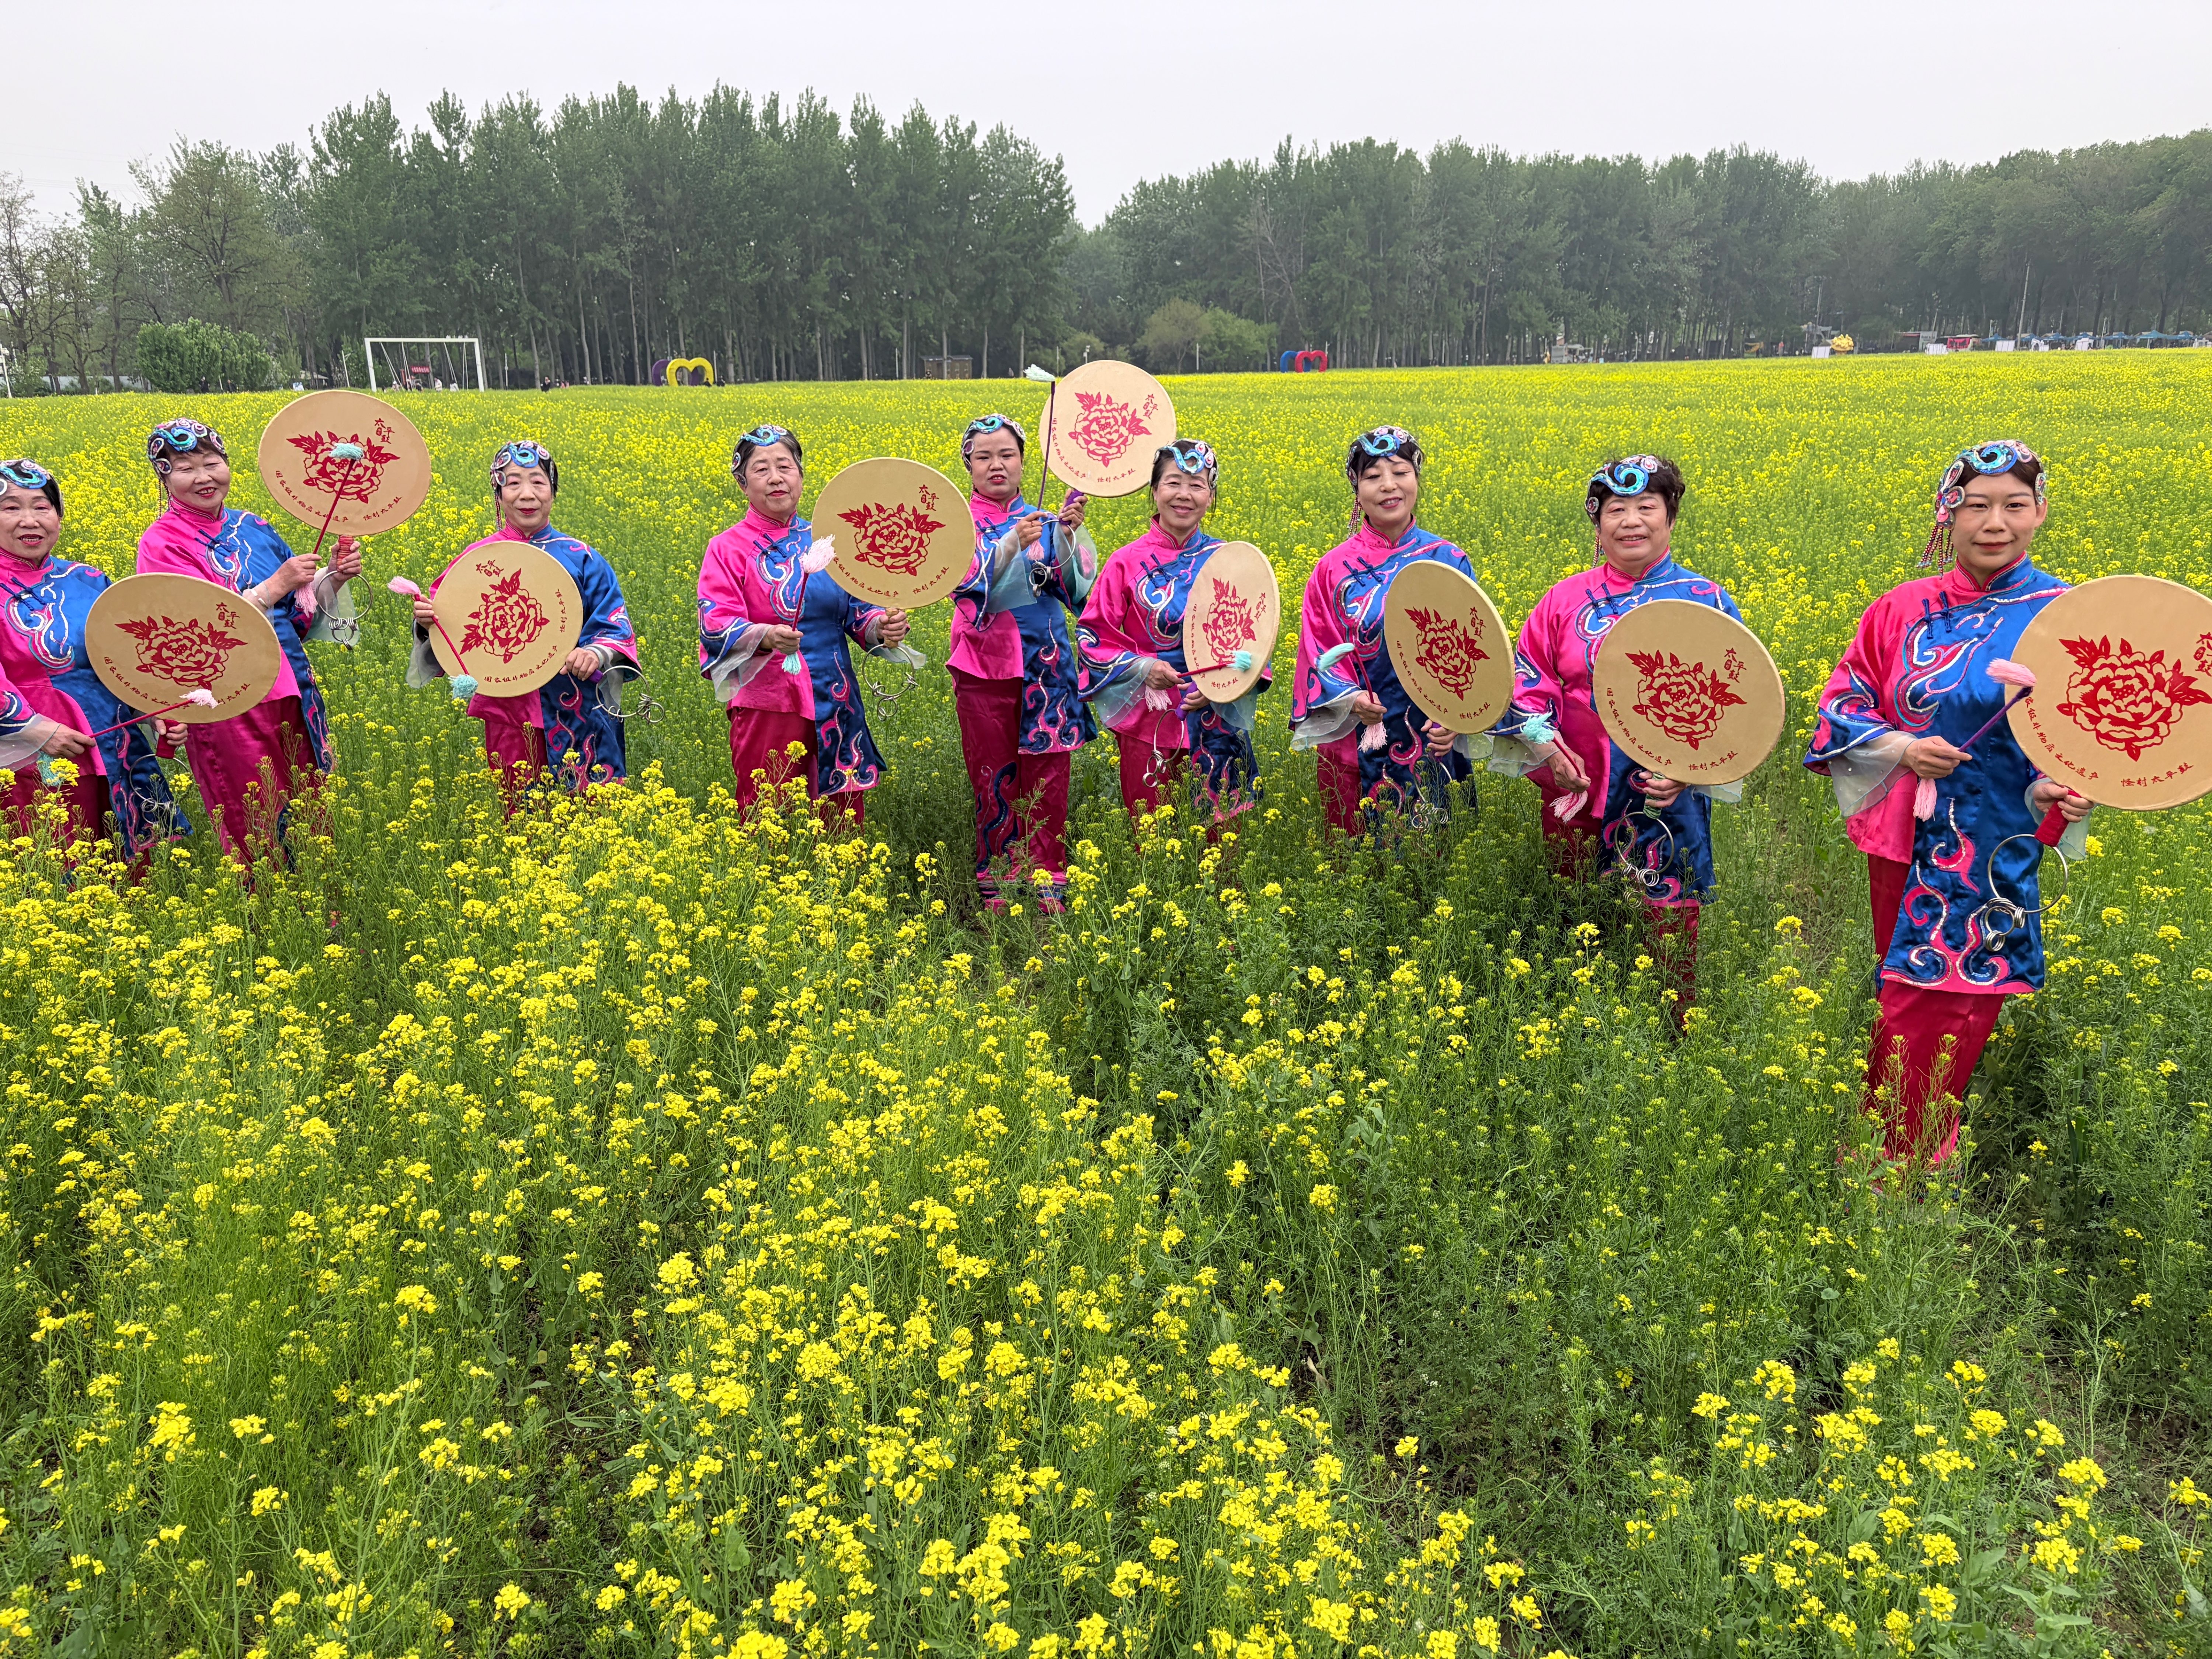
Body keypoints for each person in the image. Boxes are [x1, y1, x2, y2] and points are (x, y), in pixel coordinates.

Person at [1805, 440, 2091, 1165]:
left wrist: (2059, 795)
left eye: (2014, 506)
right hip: (1905, 833)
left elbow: (2083, 741)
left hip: (1995, 841)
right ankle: (1898, 1137)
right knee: (1901, 986)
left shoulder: (2065, 617)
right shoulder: (1900, 609)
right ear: (1949, 514)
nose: (1995, 523)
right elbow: (1843, 702)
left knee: (1947, 996)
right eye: (1976, 505)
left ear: (2040, 513)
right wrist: (1901, 748)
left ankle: (1905, 1154)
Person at [1496, 455, 1747, 1011]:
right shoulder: (1563, 600)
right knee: (1575, 914)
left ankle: (1670, 1027)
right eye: (1617, 510)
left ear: (1671, 517)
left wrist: (1687, 774)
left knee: (1666, 919)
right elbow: (1527, 678)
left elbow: (1740, 702)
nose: (1631, 521)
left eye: (1646, 507)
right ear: (1598, 524)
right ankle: (1578, 1019)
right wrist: (1544, 745)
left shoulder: (1706, 601)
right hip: (1575, 784)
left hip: (1665, 800)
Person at [134, 418, 359, 858]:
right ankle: (270, 913)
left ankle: (320, 912)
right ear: (164, 476)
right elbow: (186, 637)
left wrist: (333, 577)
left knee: (311, 805)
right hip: (226, 704)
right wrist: (273, 586)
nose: (203, 476)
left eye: (212, 462)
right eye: (184, 467)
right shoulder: (161, 544)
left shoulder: (253, 527)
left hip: (291, 688)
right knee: (254, 813)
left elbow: (297, 618)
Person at [698, 424, 912, 825]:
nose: (776, 478)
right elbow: (715, 622)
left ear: (801, 475)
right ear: (742, 483)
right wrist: (764, 635)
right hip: (768, 702)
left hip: (836, 695)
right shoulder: (726, 548)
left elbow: (856, 608)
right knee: (770, 814)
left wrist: (881, 627)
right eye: (761, 470)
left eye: (785, 466)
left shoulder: (829, 541)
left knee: (842, 815)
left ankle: (843, 887)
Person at [409, 440, 638, 808]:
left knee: (591, 820)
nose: (527, 495)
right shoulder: (476, 561)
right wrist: (427, 622)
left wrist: (595, 653)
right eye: (513, 484)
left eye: (538, 482)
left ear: (554, 491)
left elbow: (614, 625)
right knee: (525, 820)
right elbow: (447, 632)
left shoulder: (583, 558)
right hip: (511, 712)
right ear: (498, 494)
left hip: (580, 710)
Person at [1287, 425, 1480, 833]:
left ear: (1417, 478)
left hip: (1433, 737)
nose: (1389, 486)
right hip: (1358, 735)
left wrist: (1459, 719)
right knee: (1359, 864)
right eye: (1373, 476)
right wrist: (1350, 697)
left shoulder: (1448, 560)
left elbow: (1479, 656)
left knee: (1437, 868)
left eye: (1400, 472)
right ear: (1356, 489)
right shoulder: (1332, 569)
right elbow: (1317, 651)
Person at [0, 458, 184, 855]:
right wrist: (31, 728)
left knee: (135, 860)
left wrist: (156, 711)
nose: (29, 520)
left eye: (42, 507)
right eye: (11, 508)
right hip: (32, 745)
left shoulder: (89, 579)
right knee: (60, 858)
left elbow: (129, 658)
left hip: (112, 735)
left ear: (59, 517)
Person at [1077, 439, 1265, 824]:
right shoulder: (1125, 563)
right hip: (1149, 717)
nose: (1185, 495)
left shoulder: (1230, 560)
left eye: (1197, 485)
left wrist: (1218, 689)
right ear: (1154, 491)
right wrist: (1145, 669)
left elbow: (1254, 644)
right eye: (1174, 483)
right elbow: (1093, 639)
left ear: (1211, 496)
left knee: (1221, 846)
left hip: (1217, 720)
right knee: (1153, 839)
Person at [950, 413, 1096, 907]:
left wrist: (1068, 537)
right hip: (985, 666)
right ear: (968, 463)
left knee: (1049, 769)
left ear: (1022, 460)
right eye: (984, 456)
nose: (997, 465)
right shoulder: (955, 523)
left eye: (1007, 455)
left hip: (1049, 662)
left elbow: (1072, 590)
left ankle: (1047, 872)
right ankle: (997, 875)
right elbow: (968, 591)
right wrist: (1012, 542)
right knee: (993, 772)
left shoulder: (1043, 517)